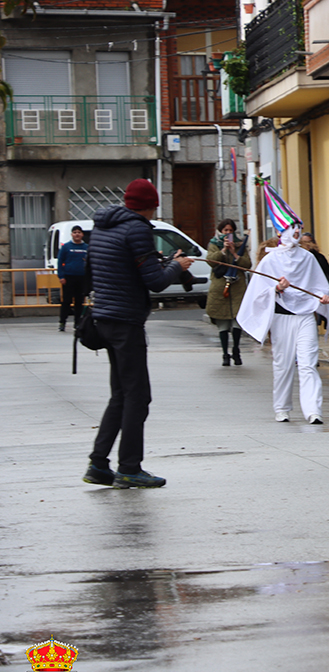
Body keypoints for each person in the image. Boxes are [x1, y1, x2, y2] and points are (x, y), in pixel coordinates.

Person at [82, 179, 194, 489]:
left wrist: (159, 263)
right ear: (151, 205)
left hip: (103, 318)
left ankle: (98, 464)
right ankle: (129, 468)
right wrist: (177, 265)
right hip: (125, 321)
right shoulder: (137, 229)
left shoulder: (102, 227)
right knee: (138, 397)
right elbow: (155, 282)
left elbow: (107, 269)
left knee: (120, 394)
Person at [237, 195, 329, 425]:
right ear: (281, 232)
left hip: (305, 317)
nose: (297, 231)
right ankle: (282, 408)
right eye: (292, 227)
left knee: (308, 363)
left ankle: (313, 411)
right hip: (282, 318)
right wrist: (276, 288)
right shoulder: (270, 261)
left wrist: (323, 298)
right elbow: (258, 292)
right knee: (283, 365)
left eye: (299, 227)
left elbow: (319, 286)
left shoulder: (308, 258)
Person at [205, 219, 251, 366]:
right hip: (220, 287)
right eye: (225, 230)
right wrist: (223, 251)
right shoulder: (214, 244)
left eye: (230, 231)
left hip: (237, 288)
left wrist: (234, 253)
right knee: (223, 323)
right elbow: (210, 261)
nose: (228, 233)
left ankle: (236, 350)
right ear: (221, 231)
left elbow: (247, 264)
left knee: (237, 320)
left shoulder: (240, 245)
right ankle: (225, 354)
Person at [57, 225, 89, 332]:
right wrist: (61, 276)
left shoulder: (86, 247)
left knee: (79, 301)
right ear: (71, 234)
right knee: (66, 301)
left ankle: (78, 323)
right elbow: (60, 262)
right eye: (75, 232)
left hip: (82, 278)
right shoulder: (66, 247)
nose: (77, 234)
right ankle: (62, 322)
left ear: (82, 234)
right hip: (68, 277)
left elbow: (90, 262)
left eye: (79, 232)